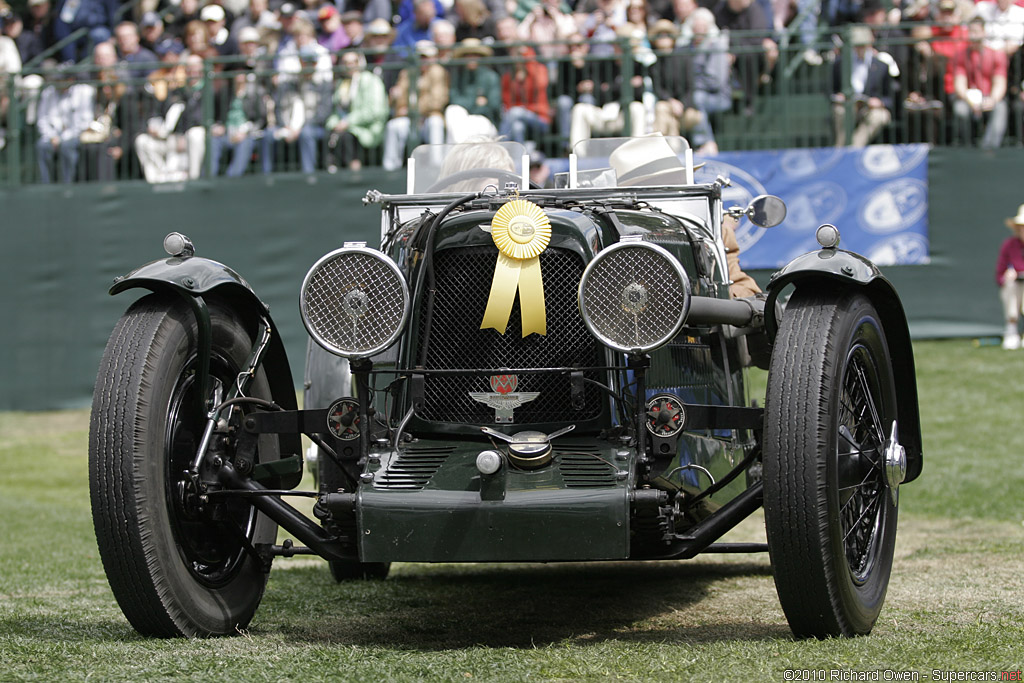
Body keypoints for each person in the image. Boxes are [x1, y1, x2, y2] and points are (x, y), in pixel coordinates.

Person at [607, 135, 758, 298]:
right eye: (657, 188)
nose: (672, 194)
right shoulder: (607, 237)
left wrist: (717, 297)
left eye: (677, 183)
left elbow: (747, 290)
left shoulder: (715, 233)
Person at [382, 40, 448, 171]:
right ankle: (390, 169)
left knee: (435, 123)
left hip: (428, 117)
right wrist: (397, 101)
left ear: (433, 57)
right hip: (409, 119)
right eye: (420, 56)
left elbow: (437, 100)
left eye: (426, 57)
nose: (423, 60)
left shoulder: (438, 71)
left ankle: (437, 168)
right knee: (393, 126)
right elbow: (398, 99)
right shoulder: (407, 73)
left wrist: (412, 110)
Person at [830, 26, 900, 147]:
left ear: (869, 44)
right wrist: (839, 97)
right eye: (856, 45)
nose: (859, 49)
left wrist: (880, 102)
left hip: (871, 109)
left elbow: (890, 97)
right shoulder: (839, 64)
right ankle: (841, 149)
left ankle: (852, 150)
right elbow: (830, 91)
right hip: (848, 106)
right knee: (840, 112)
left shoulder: (882, 66)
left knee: (879, 116)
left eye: (862, 45)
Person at [325, 49, 388, 171]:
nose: (350, 66)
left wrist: (348, 122)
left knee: (347, 137)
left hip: (367, 129)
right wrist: (333, 124)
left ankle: (355, 174)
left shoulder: (371, 80)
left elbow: (374, 111)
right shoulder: (341, 84)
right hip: (347, 128)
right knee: (328, 134)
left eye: (354, 62)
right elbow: (336, 111)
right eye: (346, 62)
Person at [951, 16, 1008, 150]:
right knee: (960, 109)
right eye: (970, 31)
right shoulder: (960, 56)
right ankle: (968, 148)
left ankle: (989, 149)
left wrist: (992, 100)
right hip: (968, 99)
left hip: (990, 97)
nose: (973, 35)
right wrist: (970, 100)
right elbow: (960, 83)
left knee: (1001, 108)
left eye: (976, 31)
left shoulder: (996, 55)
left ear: (984, 32)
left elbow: (1000, 82)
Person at [35, 66, 95, 183]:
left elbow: (85, 122)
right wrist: (52, 136)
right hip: (52, 136)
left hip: (75, 136)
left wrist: (63, 138)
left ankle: (67, 186)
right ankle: (46, 186)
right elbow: (42, 119)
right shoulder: (48, 92)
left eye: (60, 79)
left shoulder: (84, 92)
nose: (57, 82)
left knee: (67, 147)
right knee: (41, 146)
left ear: (70, 80)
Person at [445, 38, 501, 143]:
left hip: (485, 120)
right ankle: (454, 156)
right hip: (462, 120)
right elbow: (454, 100)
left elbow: (493, 105)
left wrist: (472, 106)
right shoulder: (457, 78)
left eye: (474, 55)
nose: (471, 59)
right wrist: (476, 102)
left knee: (475, 124)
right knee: (453, 111)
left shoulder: (491, 77)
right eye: (467, 55)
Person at [995, 204, 1024, 349]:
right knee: (1011, 286)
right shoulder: (1009, 245)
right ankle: (1011, 331)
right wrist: (1008, 276)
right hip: (1015, 288)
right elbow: (999, 275)